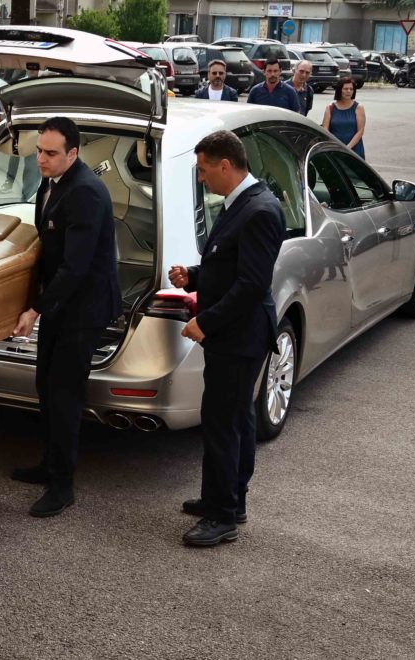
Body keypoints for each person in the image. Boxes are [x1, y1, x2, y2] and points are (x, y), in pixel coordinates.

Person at [168, 129, 284, 547]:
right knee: (235, 419)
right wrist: (193, 276)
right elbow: (229, 265)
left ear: (224, 165)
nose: (201, 179)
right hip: (234, 335)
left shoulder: (259, 210)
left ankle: (222, 517)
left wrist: (207, 322)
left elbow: (251, 284)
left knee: (223, 423)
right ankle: (228, 499)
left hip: (239, 336)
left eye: (203, 170)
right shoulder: (240, 202)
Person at [11, 117, 121, 517]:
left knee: (64, 395)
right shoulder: (52, 181)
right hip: (62, 303)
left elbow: (75, 267)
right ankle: (50, 463)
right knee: (46, 385)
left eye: (51, 153)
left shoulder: (85, 192)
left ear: (73, 153)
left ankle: (63, 485)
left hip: (84, 308)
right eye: (39, 150)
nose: (41, 158)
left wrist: (36, 308)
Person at [323, 77, 365, 159]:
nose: (349, 91)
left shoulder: (359, 107)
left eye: (351, 89)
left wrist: (347, 148)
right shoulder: (330, 108)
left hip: (355, 151)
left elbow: (360, 131)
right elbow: (325, 130)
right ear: (340, 90)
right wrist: (336, 146)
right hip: (335, 150)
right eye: (345, 89)